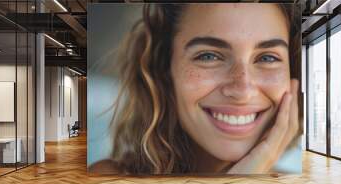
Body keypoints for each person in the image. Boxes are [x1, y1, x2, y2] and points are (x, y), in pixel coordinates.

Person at [89, 2, 302, 175]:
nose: (242, 91)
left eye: (268, 58)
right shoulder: (109, 181)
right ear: (164, 69)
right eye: (208, 56)